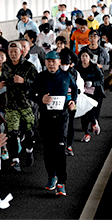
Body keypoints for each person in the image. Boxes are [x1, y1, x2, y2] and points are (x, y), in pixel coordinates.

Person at [30, 51, 77, 196]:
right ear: (45, 63)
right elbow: (31, 94)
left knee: (60, 149)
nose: (51, 63)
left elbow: (75, 89)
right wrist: (40, 99)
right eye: (48, 61)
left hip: (62, 118)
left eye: (54, 61)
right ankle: (52, 177)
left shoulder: (66, 76)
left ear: (59, 62)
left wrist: (72, 101)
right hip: (46, 118)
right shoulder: (41, 77)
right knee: (48, 149)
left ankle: (62, 182)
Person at [0, 41, 38, 172]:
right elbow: (6, 78)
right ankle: (15, 160)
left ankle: (29, 151)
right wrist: (4, 83)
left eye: (15, 52)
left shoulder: (29, 66)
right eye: (11, 52)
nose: (13, 54)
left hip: (26, 104)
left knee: (29, 132)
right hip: (11, 104)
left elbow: (37, 84)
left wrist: (24, 81)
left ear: (21, 52)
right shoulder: (5, 65)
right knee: (12, 133)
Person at [76, 51, 104, 142]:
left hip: (94, 93)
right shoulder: (77, 68)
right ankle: (86, 133)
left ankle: (94, 121)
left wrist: (93, 83)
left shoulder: (94, 67)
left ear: (90, 58)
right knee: (84, 113)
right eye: (82, 56)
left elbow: (101, 79)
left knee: (91, 111)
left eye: (86, 56)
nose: (84, 58)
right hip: (83, 93)